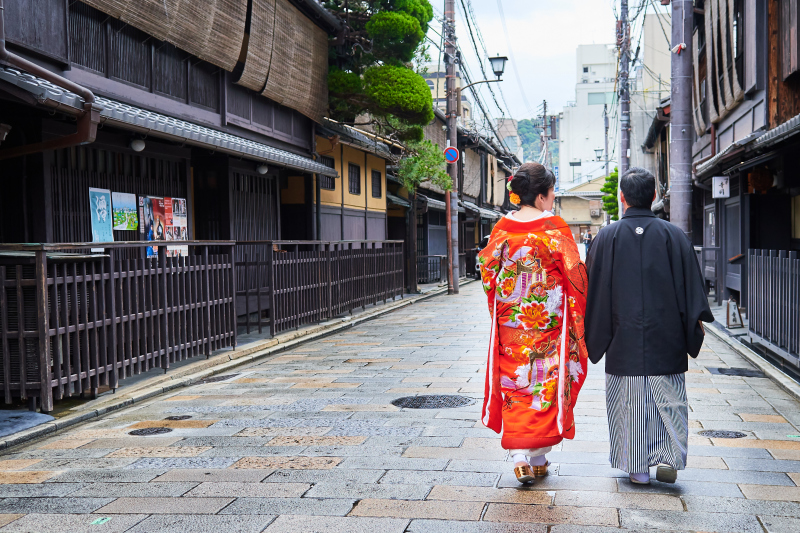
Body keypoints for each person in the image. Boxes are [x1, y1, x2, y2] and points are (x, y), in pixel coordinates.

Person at [584, 167, 713, 485]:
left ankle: (637, 469)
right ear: (654, 196)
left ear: (622, 198)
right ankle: (669, 457)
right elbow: (692, 289)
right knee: (669, 401)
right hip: (665, 337)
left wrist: (595, 332)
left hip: (621, 338)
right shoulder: (674, 236)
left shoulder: (606, 236)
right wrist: (692, 325)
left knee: (627, 404)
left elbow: (594, 289)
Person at [478, 162, 589, 484]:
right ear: (541, 196)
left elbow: (488, 274)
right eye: (552, 192)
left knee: (515, 384)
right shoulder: (554, 227)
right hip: (548, 323)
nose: (553, 198)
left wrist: (504, 306)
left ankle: (525, 457)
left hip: (511, 323)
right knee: (545, 382)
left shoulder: (501, 228)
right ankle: (536, 456)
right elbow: (576, 274)